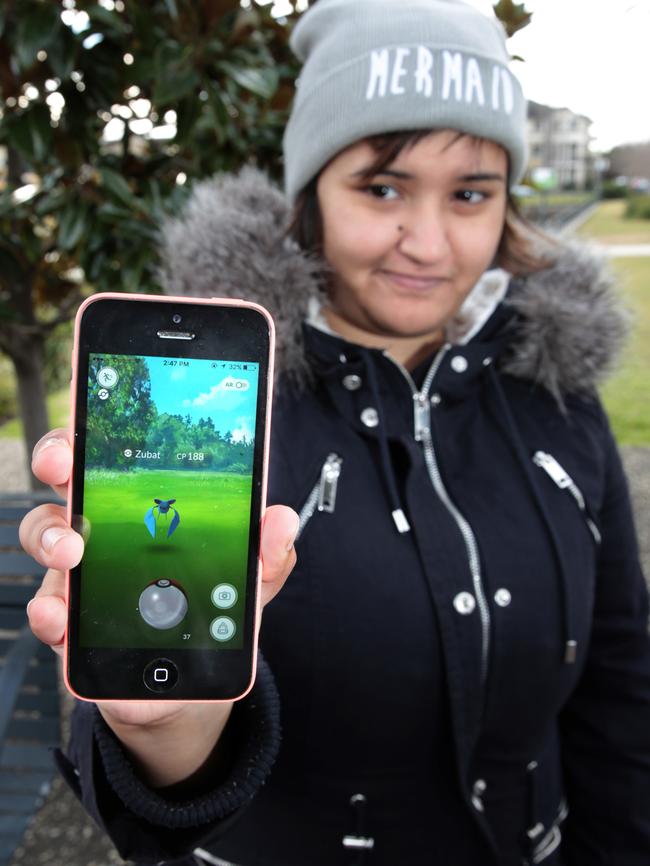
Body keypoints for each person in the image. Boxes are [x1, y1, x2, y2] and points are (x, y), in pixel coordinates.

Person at [20, 0, 650, 864]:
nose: (427, 243)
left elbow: (619, 687)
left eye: (471, 194)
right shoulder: (211, 413)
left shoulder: (559, 402)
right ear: (311, 191)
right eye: (382, 187)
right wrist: (165, 734)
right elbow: (147, 800)